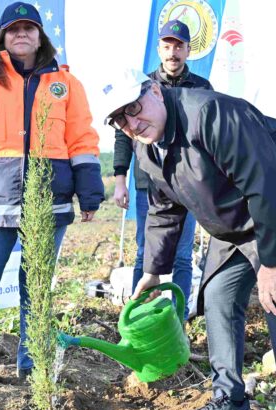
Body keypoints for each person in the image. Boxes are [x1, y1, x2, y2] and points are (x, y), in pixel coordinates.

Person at [99, 69, 276, 410]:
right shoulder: (146, 148)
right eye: (120, 120)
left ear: (155, 90)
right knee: (217, 293)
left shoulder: (212, 114)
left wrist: (273, 261)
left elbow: (266, 184)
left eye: (134, 108)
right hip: (238, 224)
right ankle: (230, 400)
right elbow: (164, 211)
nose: (133, 123)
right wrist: (152, 271)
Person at [0, 2, 104, 387]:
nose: (22, 34)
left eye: (29, 28)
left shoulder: (66, 83)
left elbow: (81, 138)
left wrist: (90, 193)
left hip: (48, 201)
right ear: (3, 37)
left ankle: (33, 363)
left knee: (37, 285)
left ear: (40, 35)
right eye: (14, 29)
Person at [112, 19, 213, 320]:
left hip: (190, 183)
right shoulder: (142, 86)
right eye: (167, 46)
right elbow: (122, 133)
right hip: (150, 182)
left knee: (182, 255)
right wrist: (120, 180)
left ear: (188, 50)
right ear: (159, 49)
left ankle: (177, 320)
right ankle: (138, 318)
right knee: (146, 253)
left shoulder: (202, 88)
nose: (173, 53)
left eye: (178, 47)